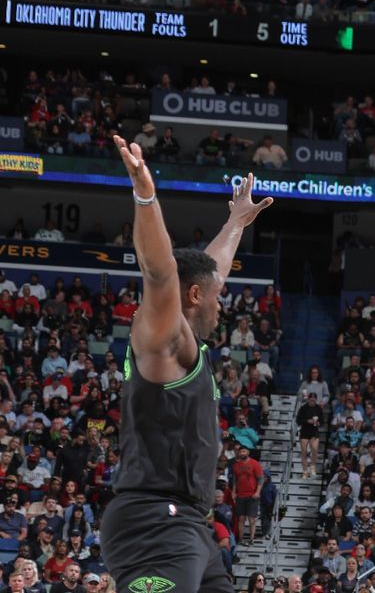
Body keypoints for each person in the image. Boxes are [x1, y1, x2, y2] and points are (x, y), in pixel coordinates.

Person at [99, 135, 273, 593]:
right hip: (153, 524)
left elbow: (211, 267)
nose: (224, 303)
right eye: (218, 297)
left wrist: (235, 221)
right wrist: (145, 195)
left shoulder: (187, 338)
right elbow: (160, 273)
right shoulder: (164, 340)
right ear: (194, 297)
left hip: (189, 523)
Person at [232, 447, 263, 547]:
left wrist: (257, 492)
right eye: (240, 451)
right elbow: (235, 480)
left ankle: (251, 539)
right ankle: (241, 539)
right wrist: (233, 492)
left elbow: (260, 479)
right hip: (240, 495)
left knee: (252, 519)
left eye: (244, 451)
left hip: (252, 495)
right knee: (241, 518)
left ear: (248, 453)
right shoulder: (236, 465)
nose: (242, 453)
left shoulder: (254, 463)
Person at [296, 393, 324, 479]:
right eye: (311, 400)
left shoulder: (318, 408)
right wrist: (307, 421)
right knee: (304, 452)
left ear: (316, 400)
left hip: (314, 431)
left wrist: (318, 423)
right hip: (304, 431)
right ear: (308, 399)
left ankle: (313, 466)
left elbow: (322, 421)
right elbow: (298, 420)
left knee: (314, 449)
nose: (312, 401)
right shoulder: (303, 408)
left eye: (314, 400)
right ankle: (305, 471)